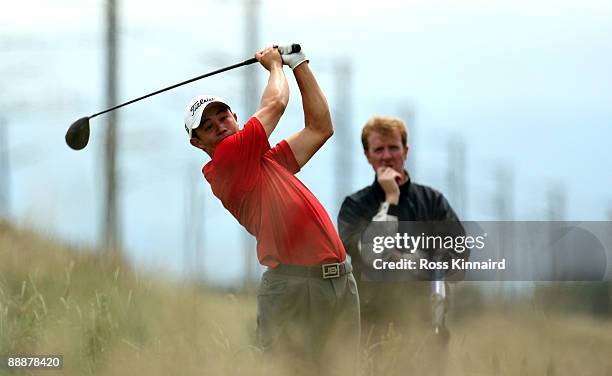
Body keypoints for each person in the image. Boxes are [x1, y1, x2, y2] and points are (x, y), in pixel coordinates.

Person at [183, 45, 359, 375]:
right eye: (208, 126)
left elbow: (320, 128)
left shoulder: (264, 163)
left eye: (223, 116)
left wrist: (300, 64)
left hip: (336, 281)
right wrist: (276, 66)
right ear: (198, 142)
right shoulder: (227, 163)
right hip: (295, 285)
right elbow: (276, 103)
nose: (220, 126)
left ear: (235, 116)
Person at [337, 115, 467, 375]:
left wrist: (419, 264)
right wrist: (391, 200)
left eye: (393, 147)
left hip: (426, 325)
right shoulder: (354, 205)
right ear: (367, 155)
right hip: (372, 328)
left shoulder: (432, 201)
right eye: (378, 149)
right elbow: (368, 254)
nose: (387, 156)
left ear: (405, 151)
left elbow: (460, 253)